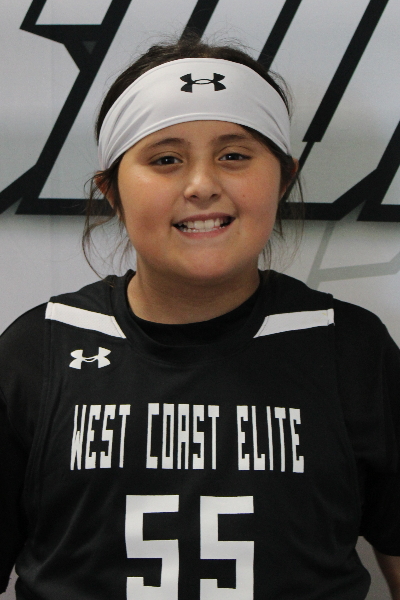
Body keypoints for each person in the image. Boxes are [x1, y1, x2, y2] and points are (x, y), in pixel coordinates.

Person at [1, 34, 400, 600]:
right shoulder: (37, 351)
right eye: (165, 159)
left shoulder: (350, 349)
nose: (202, 186)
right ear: (112, 190)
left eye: (234, 155)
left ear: (283, 176)